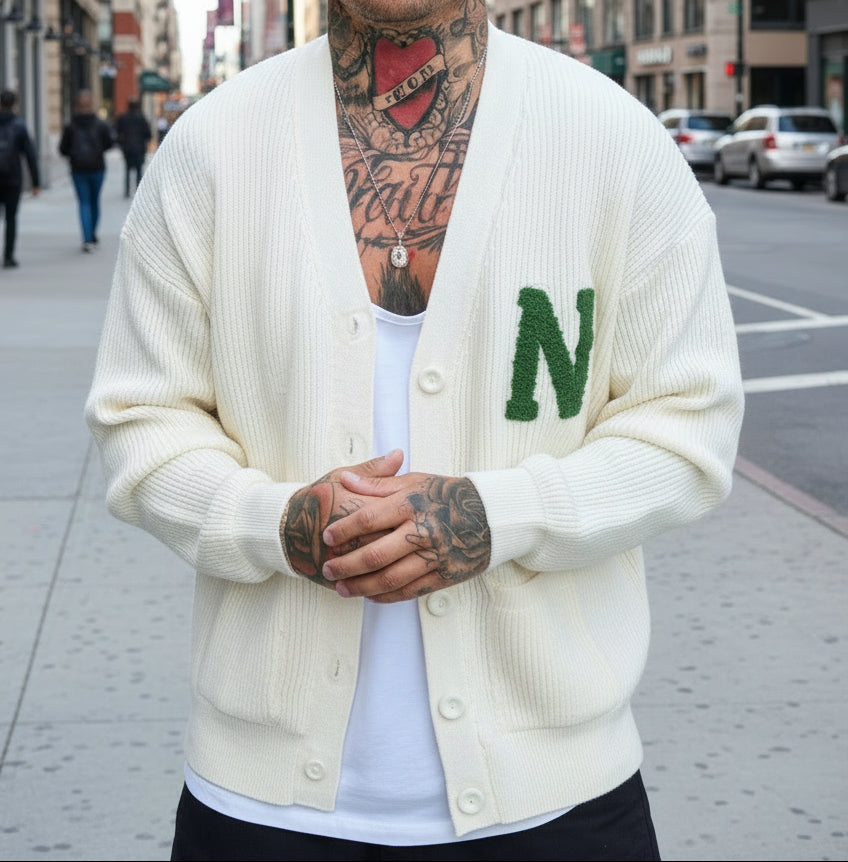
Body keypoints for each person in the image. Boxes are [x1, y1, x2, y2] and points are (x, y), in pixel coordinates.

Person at [85, 1, 745, 859]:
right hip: (261, 806)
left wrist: (495, 518)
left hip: (558, 802)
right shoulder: (211, 148)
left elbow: (689, 423)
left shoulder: (613, 139)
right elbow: (142, 420)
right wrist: (279, 526)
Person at [0, 90, 40, 268]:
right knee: (10, 217)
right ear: (14, 104)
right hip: (12, 178)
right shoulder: (19, 126)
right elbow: (30, 155)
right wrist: (36, 182)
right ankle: (8, 257)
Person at [59, 90, 113, 253]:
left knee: (84, 203)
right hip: (97, 167)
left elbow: (63, 149)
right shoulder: (100, 124)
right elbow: (109, 143)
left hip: (78, 168)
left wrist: (73, 153)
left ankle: (87, 238)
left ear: (77, 105)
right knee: (94, 201)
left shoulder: (71, 126)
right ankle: (92, 234)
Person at [114, 98, 152, 198]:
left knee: (127, 169)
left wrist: (122, 144)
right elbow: (148, 134)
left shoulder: (123, 118)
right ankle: (138, 191)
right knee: (139, 170)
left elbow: (117, 132)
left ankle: (127, 191)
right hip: (139, 148)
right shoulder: (142, 119)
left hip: (127, 148)